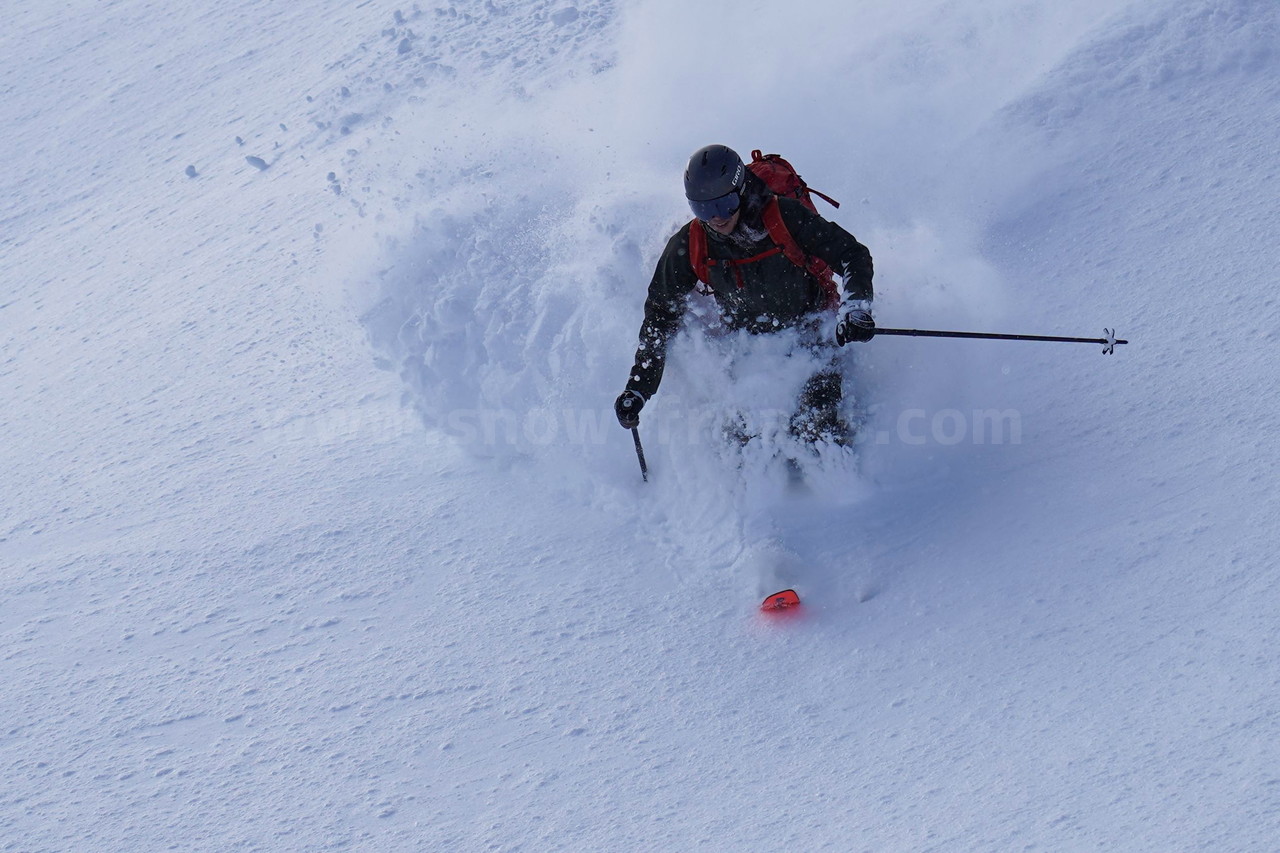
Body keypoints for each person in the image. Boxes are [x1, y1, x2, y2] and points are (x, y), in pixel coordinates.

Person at [614, 144, 876, 445]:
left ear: (739, 189)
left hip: (812, 335)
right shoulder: (691, 243)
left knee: (819, 435)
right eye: (703, 208)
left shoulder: (783, 217)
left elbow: (851, 255)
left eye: (723, 205)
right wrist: (638, 388)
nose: (715, 218)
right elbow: (661, 314)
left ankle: (849, 484)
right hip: (748, 350)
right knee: (741, 445)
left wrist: (855, 308)